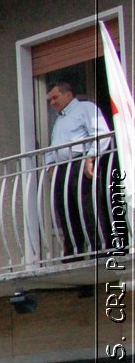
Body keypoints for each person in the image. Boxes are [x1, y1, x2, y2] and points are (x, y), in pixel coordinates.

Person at [46, 79, 114, 256]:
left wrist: (91, 157)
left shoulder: (85, 108)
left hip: (80, 163)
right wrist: (50, 166)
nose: (52, 102)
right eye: (50, 100)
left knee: (88, 207)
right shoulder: (59, 120)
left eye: (55, 97)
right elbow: (54, 146)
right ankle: (74, 252)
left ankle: (99, 249)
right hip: (63, 169)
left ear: (68, 94)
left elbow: (102, 134)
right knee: (66, 209)